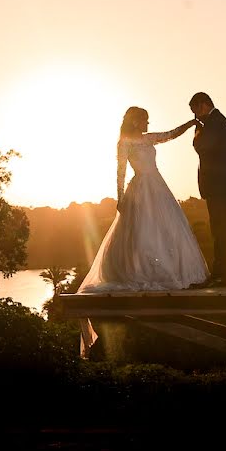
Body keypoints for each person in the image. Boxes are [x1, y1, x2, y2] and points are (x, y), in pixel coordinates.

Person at [76, 106, 209, 355]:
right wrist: (120, 197)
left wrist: (191, 124)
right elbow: (120, 171)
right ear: (136, 121)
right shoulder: (124, 142)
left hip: (158, 187)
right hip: (139, 189)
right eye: (145, 119)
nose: (148, 123)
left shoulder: (148, 138)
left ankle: (169, 268)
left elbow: (170, 134)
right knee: (140, 233)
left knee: (167, 229)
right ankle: (140, 270)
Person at [189, 92, 226, 288]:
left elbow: (202, 146)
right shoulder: (216, 121)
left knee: (222, 230)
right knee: (222, 229)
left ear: (203, 105)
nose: (195, 116)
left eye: (195, 110)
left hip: (218, 184)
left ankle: (224, 274)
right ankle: (224, 272)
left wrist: (196, 133)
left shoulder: (215, 122)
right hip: (220, 184)